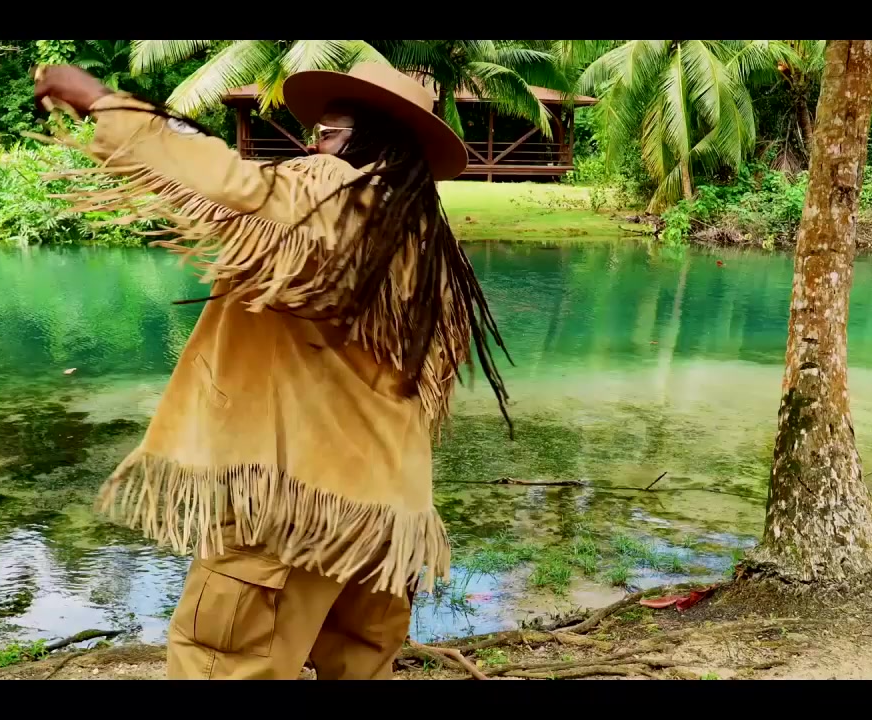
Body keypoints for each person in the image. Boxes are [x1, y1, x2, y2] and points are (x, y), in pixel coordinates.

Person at [32, 62, 512, 680]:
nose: (312, 147)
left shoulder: (333, 192)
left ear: (366, 142)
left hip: (297, 502)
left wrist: (106, 103)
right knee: (360, 664)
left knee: (224, 661)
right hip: (390, 512)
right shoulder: (426, 240)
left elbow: (234, 186)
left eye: (326, 133)